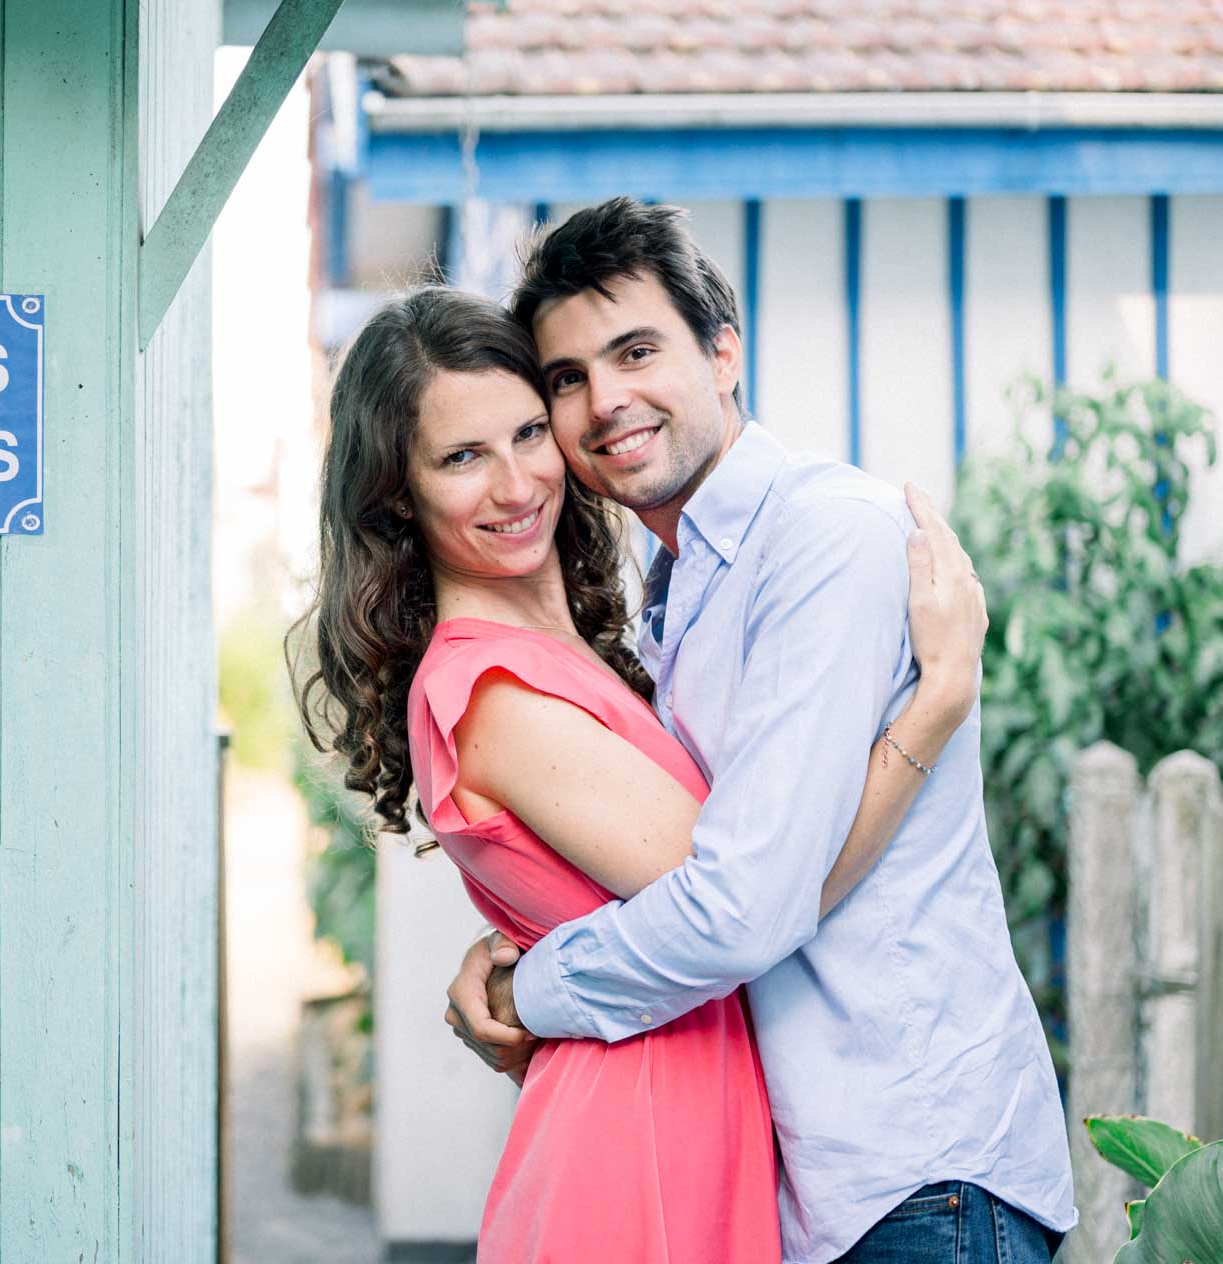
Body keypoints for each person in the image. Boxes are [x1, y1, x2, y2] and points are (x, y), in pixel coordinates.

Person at [292, 283, 992, 1261]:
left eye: (529, 433)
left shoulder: (582, 646)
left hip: (688, 1103)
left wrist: (523, 969)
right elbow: (750, 900)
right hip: (637, 1134)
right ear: (395, 496)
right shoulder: (492, 686)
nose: (514, 484)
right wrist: (936, 704)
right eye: (460, 457)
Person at [442, 199, 1077, 1262]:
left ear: (724, 350)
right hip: (817, 1184)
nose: (605, 401)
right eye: (566, 377)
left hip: (915, 1171)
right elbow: (696, 868)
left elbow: (745, 903)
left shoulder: (821, 542)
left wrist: (530, 990)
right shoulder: (676, 585)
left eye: (636, 350)